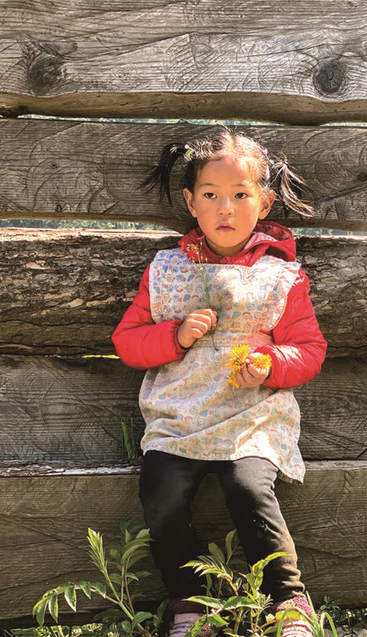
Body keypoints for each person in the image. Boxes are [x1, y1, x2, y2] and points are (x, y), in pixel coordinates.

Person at [112, 128, 326, 637]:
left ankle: (288, 601)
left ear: (264, 202)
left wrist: (271, 362)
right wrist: (175, 335)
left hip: (251, 417)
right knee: (160, 488)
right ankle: (188, 603)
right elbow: (128, 341)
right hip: (179, 416)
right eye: (210, 195)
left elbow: (309, 349)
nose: (224, 208)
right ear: (191, 202)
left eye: (240, 195)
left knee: (248, 488)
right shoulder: (165, 270)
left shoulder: (282, 277)